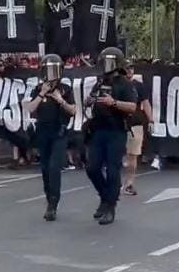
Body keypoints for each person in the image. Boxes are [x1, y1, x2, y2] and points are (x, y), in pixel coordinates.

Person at [84, 47, 137, 225]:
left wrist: (114, 103)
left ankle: (110, 206)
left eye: (109, 62)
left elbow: (132, 107)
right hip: (98, 130)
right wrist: (90, 100)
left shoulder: (125, 83)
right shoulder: (100, 82)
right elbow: (91, 97)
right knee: (92, 167)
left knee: (113, 170)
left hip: (116, 131)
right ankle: (104, 197)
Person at [24, 54, 76, 221]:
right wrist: (42, 94)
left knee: (54, 167)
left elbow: (73, 111)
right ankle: (49, 198)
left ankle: (53, 203)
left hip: (59, 132)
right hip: (42, 132)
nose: (52, 74)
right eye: (48, 70)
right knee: (45, 168)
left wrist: (60, 100)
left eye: (55, 70)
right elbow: (30, 109)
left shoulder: (65, 89)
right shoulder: (38, 88)